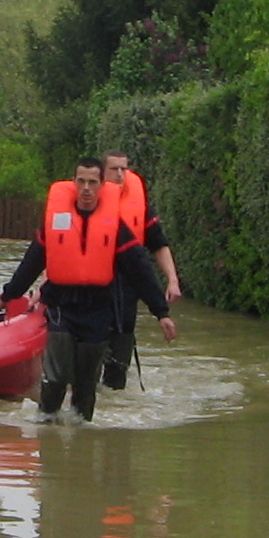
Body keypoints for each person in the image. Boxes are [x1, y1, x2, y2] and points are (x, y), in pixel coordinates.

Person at [0, 158, 175, 422]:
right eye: (81, 181)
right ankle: (47, 434)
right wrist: (7, 296)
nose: (86, 189)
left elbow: (140, 269)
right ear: (74, 183)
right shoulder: (56, 219)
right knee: (56, 378)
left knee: (85, 387)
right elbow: (32, 262)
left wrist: (161, 313)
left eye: (93, 182)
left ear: (102, 186)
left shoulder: (115, 226)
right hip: (61, 306)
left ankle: (80, 442)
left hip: (97, 310)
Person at [100, 150, 182, 390]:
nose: (120, 174)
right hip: (94, 293)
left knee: (118, 365)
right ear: (102, 172)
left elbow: (158, 245)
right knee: (88, 359)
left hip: (126, 291)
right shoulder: (89, 203)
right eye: (113, 169)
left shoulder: (140, 205)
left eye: (124, 169)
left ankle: (114, 403)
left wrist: (172, 280)